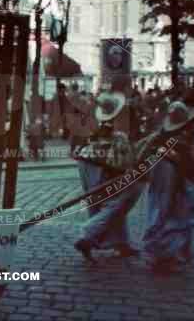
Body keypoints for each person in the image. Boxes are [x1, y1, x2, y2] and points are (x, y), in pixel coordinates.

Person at [142, 100, 194, 274]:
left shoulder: (163, 135)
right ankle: (164, 254)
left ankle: (170, 252)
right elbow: (185, 165)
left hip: (163, 174)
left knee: (160, 210)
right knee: (174, 212)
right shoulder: (180, 139)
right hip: (172, 176)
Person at [73, 91, 144, 262]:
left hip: (87, 161)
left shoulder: (94, 116)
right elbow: (115, 152)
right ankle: (89, 234)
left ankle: (121, 243)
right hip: (100, 163)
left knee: (100, 201)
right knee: (118, 201)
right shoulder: (108, 123)